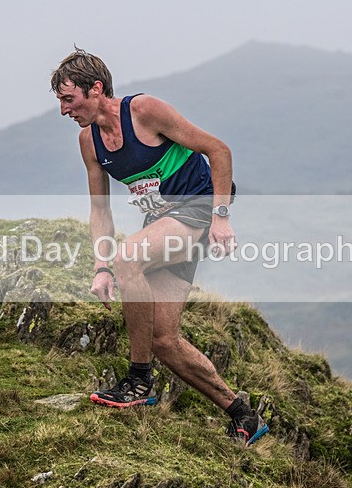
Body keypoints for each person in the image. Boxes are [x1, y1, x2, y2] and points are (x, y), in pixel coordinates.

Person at [51, 48, 270, 447]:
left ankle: (138, 380)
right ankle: (242, 413)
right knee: (162, 338)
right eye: (61, 102)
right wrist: (101, 267)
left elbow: (218, 150)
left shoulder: (144, 112)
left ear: (96, 89)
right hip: (164, 225)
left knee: (129, 257)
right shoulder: (90, 143)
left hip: (199, 209)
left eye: (69, 99)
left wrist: (221, 216)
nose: (65, 110)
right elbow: (100, 211)